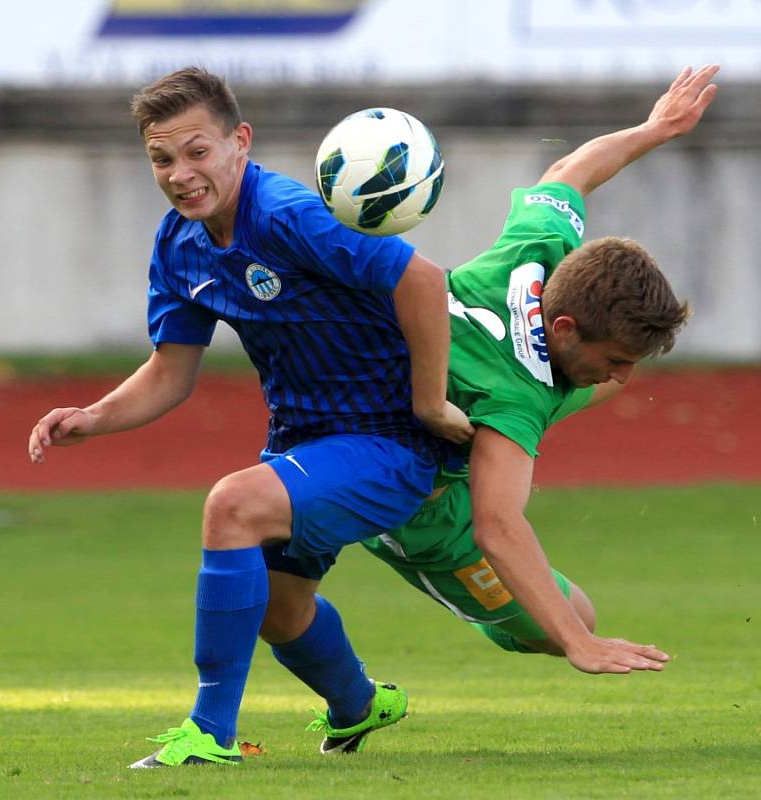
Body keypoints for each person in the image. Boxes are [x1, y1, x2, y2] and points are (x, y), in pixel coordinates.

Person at [262, 63, 719, 752]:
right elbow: (498, 526)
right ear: (565, 330)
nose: (627, 376)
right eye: (618, 358)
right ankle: (343, 695)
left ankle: (353, 704)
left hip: (345, 400)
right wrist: (576, 647)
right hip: (416, 501)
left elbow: (573, 166)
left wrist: (656, 129)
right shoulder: (516, 400)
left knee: (279, 602)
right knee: (566, 621)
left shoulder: (539, 254)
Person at [28, 66, 474, 768]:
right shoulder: (180, 244)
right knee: (277, 612)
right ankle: (360, 705)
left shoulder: (290, 215)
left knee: (231, 506)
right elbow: (171, 371)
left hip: (389, 440)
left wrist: (427, 401)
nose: (180, 173)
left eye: (197, 151)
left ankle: (208, 734)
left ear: (240, 142)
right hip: (304, 441)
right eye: (162, 158)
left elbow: (420, 278)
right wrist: (94, 415)